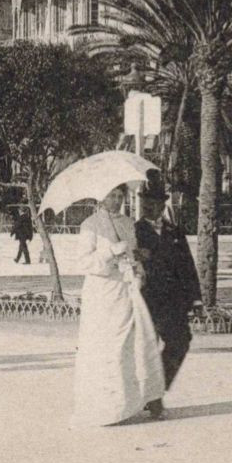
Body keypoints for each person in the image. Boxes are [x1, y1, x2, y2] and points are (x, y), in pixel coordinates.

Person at [70, 183, 164, 427]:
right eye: (111, 195)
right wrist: (110, 252)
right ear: (101, 197)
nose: (116, 200)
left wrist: (137, 261)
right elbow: (83, 262)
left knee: (133, 342)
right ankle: (108, 407)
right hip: (102, 294)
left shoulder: (128, 223)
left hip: (126, 289)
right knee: (107, 347)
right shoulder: (90, 225)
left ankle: (138, 400)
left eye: (120, 195)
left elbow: (131, 254)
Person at [134, 178, 199, 419]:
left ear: (163, 205)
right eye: (146, 204)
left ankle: (156, 390)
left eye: (155, 204)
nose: (151, 208)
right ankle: (153, 397)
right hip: (147, 299)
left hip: (174, 301)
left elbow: (188, 267)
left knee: (181, 341)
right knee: (147, 349)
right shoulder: (134, 231)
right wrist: (139, 257)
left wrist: (196, 300)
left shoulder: (175, 231)